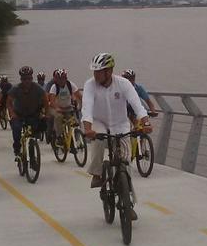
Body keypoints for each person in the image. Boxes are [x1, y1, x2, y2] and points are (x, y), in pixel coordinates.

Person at [82, 53, 151, 219]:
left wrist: (145, 122)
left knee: (126, 165)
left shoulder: (123, 83)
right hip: (99, 123)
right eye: (94, 71)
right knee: (98, 142)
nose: (96, 75)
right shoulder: (90, 85)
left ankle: (128, 204)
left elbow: (137, 104)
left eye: (99, 71)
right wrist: (88, 128)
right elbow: (87, 108)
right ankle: (97, 173)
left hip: (120, 125)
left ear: (109, 70)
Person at [7, 66, 46, 160]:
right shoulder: (16, 88)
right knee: (16, 130)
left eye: (29, 78)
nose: (27, 81)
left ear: (32, 78)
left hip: (33, 114)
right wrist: (12, 113)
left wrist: (46, 113)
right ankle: (17, 149)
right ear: (21, 79)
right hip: (18, 114)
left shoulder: (37, 88)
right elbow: (8, 102)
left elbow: (45, 99)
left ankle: (32, 157)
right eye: (24, 79)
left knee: (34, 134)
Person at [47, 69, 79, 145]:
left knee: (73, 121)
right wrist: (57, 108)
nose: (61, 81)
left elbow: (79, 96)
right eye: (59, 79)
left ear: (66, 78)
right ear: (56, 80)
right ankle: (59, 137)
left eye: (63, 78)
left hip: (68, 107)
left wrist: (79, 103)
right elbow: (52, 102)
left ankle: (75, 138)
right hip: (56, 108)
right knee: (59, 117)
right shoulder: (54, 87)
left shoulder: (70, 85)